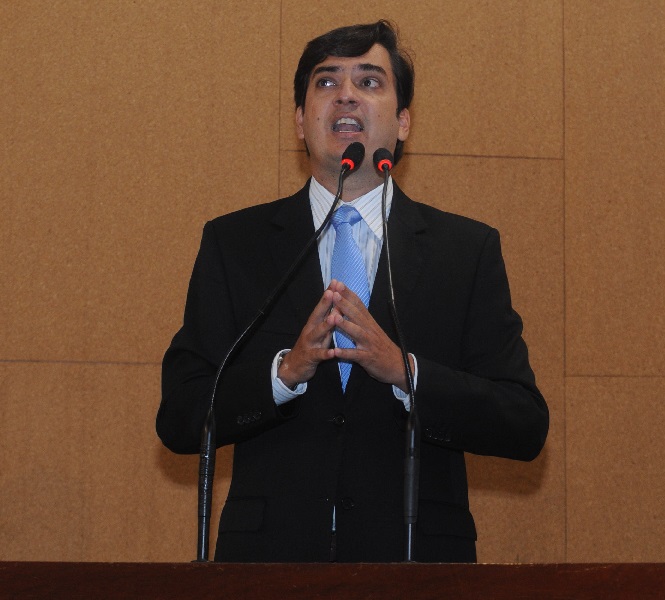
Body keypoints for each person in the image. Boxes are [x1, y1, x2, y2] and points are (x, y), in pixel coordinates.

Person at [157, 20, 549, 563]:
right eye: (326, 82)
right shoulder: (235, 244)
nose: (345, 94)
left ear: (403, 120)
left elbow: (524, 422)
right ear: (300, 120)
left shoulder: (465, 251)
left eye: (369, 81)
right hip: (268, 565)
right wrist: (283, 374)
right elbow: (180, 414)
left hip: (416, 562)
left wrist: (406, 373)